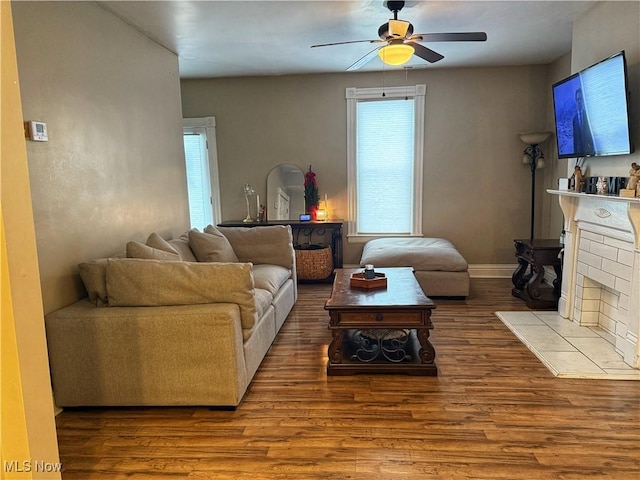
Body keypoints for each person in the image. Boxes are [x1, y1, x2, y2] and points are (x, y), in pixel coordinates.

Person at [572, 88, 595, 156]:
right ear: (576, 101)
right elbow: (575, 140)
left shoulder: (588, 116)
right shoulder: (574, 119)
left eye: (581, 99)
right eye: (578, 99)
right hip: (579, 152)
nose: (579, 101)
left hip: (589, 151)